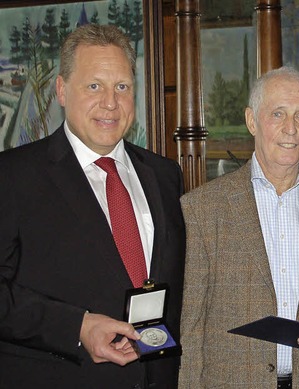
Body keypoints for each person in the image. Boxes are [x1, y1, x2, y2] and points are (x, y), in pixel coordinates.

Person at [0, 24, 185, 388]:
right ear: (62, 90)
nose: (110, 103)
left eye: (122, 87)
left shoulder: (165, 175)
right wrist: (77, 326)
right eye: (94, 86)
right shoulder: (11, 176)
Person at [178, 66, 299, 389]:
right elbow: (189, 329)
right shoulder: (201, 210)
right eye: (278, 114)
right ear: (252, 121)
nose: (290, 129)